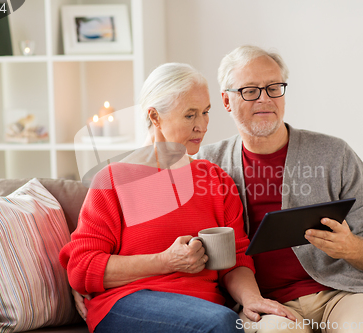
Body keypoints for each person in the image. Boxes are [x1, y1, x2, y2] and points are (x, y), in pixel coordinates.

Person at [59, 62, 296, 333]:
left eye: (205, 112)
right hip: (129, 302)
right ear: (155, 117)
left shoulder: (216, 180)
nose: (202, 126)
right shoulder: (113, 180)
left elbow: (237, 258)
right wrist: (165, 261)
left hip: (206, 310)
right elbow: (81, 268)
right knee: (222, 323)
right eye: (190, 115)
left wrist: (252, 299)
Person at [194, 45, 363, 333]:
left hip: (343, 293)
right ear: (226, 101)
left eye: (274, 87)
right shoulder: (207, 164)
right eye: (250, 90)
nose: (265, 99)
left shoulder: (334, 153)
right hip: (266, 305)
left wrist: (352, 248)